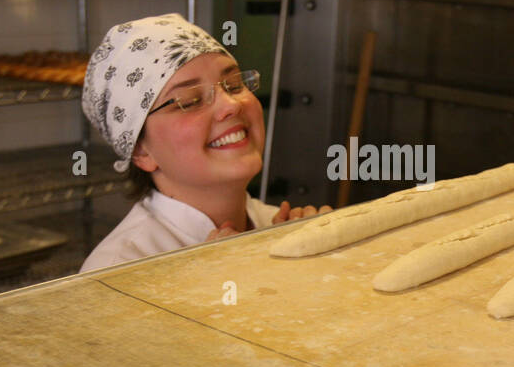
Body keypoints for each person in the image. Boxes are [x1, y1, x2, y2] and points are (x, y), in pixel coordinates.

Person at [78, 14, 329, 273]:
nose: (231, 105)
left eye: (233, 85)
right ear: (141, 151)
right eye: (190, 100)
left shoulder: (279, 227)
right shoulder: (118, 273)